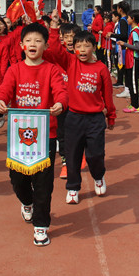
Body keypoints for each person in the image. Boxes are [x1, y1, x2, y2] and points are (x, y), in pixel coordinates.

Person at [0, 22, 68, 246]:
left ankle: (41, 225)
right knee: (18, 179)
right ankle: (27, 202)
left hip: (46, 134)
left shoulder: (52, 69)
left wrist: (60, 104)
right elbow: (5, 90)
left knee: (44, 182)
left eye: (38, 41)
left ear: (45, 45)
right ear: (21, 45)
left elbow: (61, 92)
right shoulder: (14, 69)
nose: (33, 44)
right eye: (29, 41)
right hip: (19, 135)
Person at [46, 14, 115, 205]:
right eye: (78, 47)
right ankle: (73, 187)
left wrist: (111, 116)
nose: (82, 50)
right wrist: (53, 28)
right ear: (74, 49)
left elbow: (108, 94)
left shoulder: (101, 68)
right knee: (72, 155)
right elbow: (54, 49)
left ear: (93, 48)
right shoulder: (70, 62)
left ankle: (98, 176)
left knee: (95, 154)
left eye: (86, 46)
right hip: (74, 118)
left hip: (94, 119)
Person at [118, 10, 139, 113]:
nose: (127, 19)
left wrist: (124, 44)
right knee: (130, 82)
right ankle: (133, 104)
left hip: (134, 60)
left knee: (133, 83)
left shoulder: (136, 32)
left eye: (128, 18)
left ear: (132, 19)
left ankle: (136, 105)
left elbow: (137, 47)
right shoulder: (133, 31)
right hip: (130, 60)